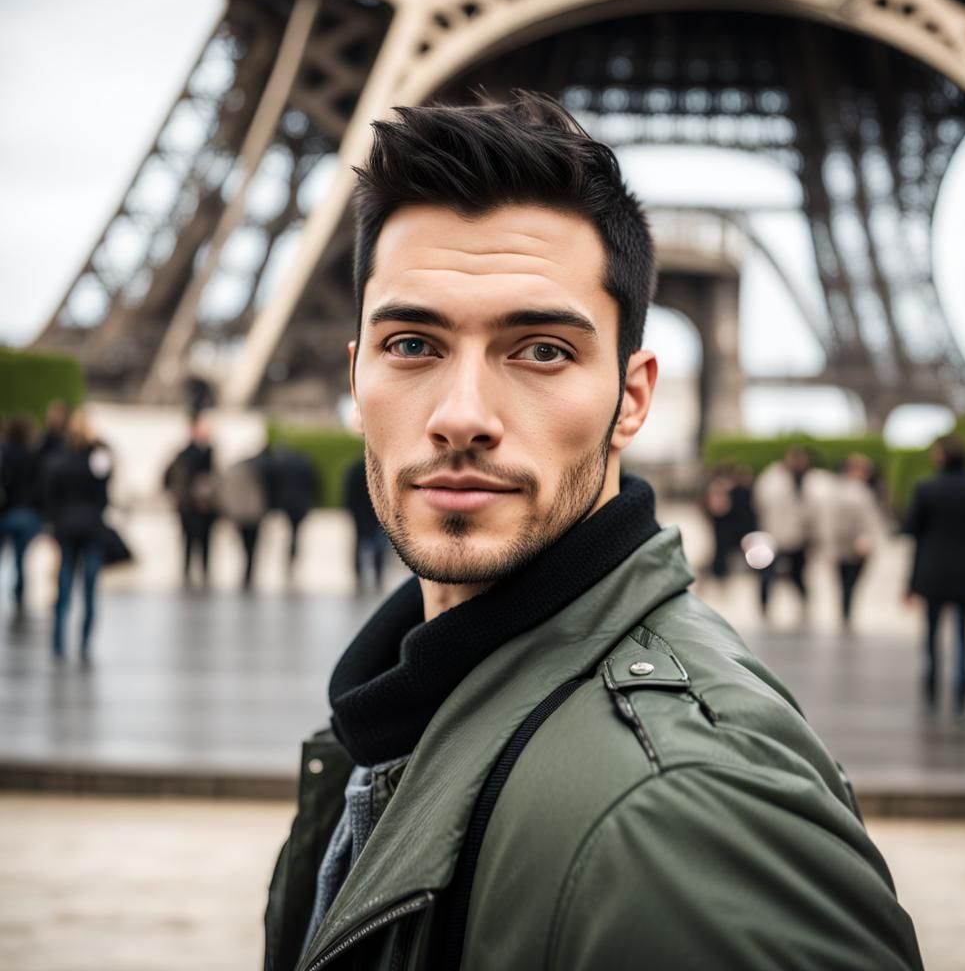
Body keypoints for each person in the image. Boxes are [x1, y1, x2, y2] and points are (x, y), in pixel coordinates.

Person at [264, 95, 922, 971]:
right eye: (413, 345)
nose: (462, 418)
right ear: (358, 378)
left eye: (541, 350)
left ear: (633, 396)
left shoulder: (685, 813)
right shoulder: (405, 710)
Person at [904, 436, 965, 712]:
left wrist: (909, 582)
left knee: (931, 638)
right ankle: (961, 699)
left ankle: (932, 695)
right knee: (963, 639)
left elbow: (913, 530)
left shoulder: (927, 488)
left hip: (933, 571)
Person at [45, 411, 113, 661]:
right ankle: (84, 642)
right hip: (91, 529)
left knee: (63, 588)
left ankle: (58, 643)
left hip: (66, 529)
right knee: (89, 589)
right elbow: (104, 495)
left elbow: (51, 495)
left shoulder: (59, 460)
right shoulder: (98, 459)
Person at [823, 453, 887, 631]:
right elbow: (869, 521)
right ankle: (846, 613)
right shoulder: (859, 492)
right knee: (850, 583)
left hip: (842, 545)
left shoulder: (837, 490)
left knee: (844, 583)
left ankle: (845, 612)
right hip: (855, 545)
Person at [751, 445, 815, 619]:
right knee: (768, 576)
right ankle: (764, 607)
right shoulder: (772, 480)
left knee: (797, 575)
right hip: (773, 535)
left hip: (796, 536)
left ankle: (803, 605)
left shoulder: (805, 480)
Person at [164, 414, 217, 588]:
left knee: (205, 543)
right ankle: (188, 573)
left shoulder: (210, 451)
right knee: (188, 542)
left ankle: (203, 573)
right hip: (189, 507)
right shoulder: (185, 454)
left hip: (206, 507)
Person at [0, 414, 45, 615]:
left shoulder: (6, 455)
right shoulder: (35, 457)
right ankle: (19, 595)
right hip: (28, 514)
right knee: (21, 560)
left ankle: (18, 595)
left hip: (8, 512)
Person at [217, 450, 271, 591]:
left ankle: (247, 573)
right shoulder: (256, 472)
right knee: (251, 547)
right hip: (252, 514)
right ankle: (249, 573)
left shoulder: (233, 473)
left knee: (246, 547)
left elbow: (227, 495)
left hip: (242, 515)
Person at [269, 446, 318, 575]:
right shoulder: (304, 464)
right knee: (295, 532)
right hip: (301, 503)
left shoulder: (283, 465)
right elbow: (314, 483)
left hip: (288, 503)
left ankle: (290, 556)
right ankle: (293, 555)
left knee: (292, 532)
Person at [342, 457, 388, 592]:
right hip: (376, 513)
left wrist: (350, 510)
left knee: (358, 542)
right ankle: (378, 574)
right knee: (379, 544)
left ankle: (359, 573)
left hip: (359, 512)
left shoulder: (354, 469)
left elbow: (348, 493)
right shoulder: (381, 469)